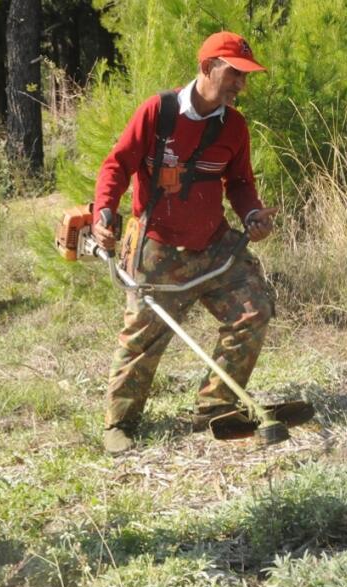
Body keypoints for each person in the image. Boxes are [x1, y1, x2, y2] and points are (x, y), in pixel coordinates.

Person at [91, 31, 279, 454]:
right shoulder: (159, 112)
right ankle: (118, 425)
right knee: (143, 338)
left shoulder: (235, 126)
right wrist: (105, 211)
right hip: (158, 246)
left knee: (254, 310)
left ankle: (214, 409)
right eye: (234, 74)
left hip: (213, 244)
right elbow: (117, 165)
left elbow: (241, 183)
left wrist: (251, 214)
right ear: (208, 67)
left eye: (245, 77)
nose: (240, 85)